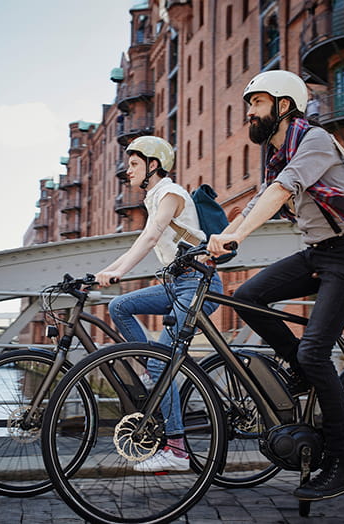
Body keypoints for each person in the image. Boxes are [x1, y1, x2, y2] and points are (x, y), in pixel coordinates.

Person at [207, 70, 344, 501]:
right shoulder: (278, 152)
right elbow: (256, 200)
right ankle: (302, 373)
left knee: (315, 349)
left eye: (257, 103)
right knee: (247, 296)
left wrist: (237, 238)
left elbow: (281, 192)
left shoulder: (315, 141)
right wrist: (216, 240)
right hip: (321, 251)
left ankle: (343, 464)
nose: (249, 113)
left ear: (284, 106)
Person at [94, 135, 223, 472]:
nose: (128, 170)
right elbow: (144, 239)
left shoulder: (170, 193)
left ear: (154, 165)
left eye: (134, 164)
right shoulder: (154, 197)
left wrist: (118, 271)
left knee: (160, 364)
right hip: (177, 284)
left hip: (197, 286)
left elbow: (149, 237)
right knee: (119, 307)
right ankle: (153, 371)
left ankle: (178, 450)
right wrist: (105, 272)